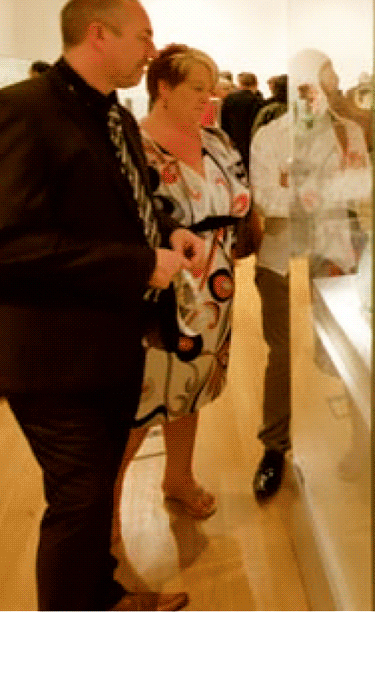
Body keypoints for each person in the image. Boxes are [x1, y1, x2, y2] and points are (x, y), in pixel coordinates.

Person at [0, 0, 202, 611]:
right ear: (97, 34)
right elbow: (9, 243)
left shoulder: (110, 114)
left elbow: (132, 202)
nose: (151, 49)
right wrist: (141, 262)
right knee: (79, 498)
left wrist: (170, 231)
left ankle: (103, 596)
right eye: (142, 36)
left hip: (111, 340)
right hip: (50, 353)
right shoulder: (25, 111)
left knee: (92, 494)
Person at [112, 45, 253, 539]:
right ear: (164, 88)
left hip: (216, 289)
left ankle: (179, 476)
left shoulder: (217, 140)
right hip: (164, 289)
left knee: (190, 389)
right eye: (198, 87)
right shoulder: (135, 145)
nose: (208, 96)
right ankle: (105, 510)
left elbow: (239, 200)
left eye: (211, 86)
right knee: (143, 400)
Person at [248, 48, 372, 499]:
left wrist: (301, 190)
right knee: (281, 355)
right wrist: (319, 193)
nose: (329, 91)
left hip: (336, 252)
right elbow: (266, 198)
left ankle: (361, 442)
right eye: (321, 83)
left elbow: (358, 187)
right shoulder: (270, 136)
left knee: (348, 351)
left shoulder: (349, 133)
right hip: (282, 257)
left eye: (331, 84)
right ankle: (275, 447)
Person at [219, 71, 264, 167]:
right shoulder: (258, 100)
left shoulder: (230, 98)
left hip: (234, 138)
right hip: (252, 139)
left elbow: (223, 120)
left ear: (240, 83)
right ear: (255, 83)